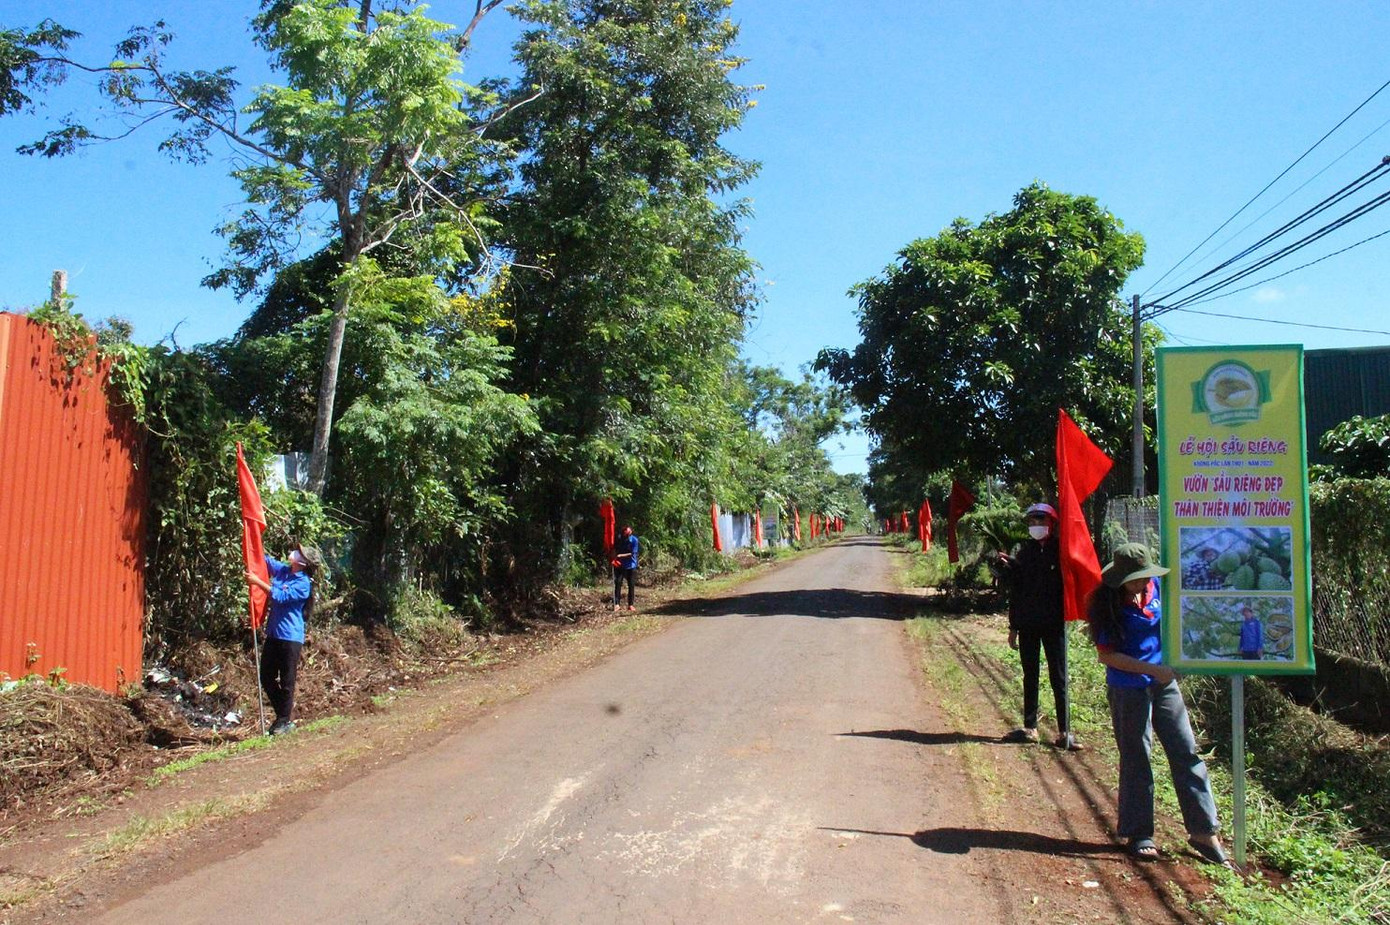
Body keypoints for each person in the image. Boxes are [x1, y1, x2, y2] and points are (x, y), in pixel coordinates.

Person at [1088, 543, 1229, 866]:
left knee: (1185, 750)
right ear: (1121, 580)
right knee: (1137, 756)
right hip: (1129, 687)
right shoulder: (1105, 604)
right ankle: (1140, 833)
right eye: (1135, 580)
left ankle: (1204, 832)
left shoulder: (1158, 590)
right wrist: (1154, 670)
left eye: (1145, 577)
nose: (1141, 584)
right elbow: (1106, 655)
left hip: (1165, 685)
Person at [995, 503, 1081, 750]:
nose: (1036, 526)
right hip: (1028, 623)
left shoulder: (1061, 552)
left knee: (1059, 677)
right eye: (1031, 522)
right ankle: (1030, 727)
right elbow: (1017, 591)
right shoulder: (1024, 553)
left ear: (1052, 524)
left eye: (1040, 521)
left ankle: (1065, 732)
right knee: (1029, 675)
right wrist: (1013, 627)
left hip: (1054, 624)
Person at [247, 542, 322, 735]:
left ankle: (283, 720)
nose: (295, 553)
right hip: (273, 634)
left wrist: (257, 582)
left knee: (287, 681)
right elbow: (264, 562)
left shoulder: (303, 583)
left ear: (303, 563)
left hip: (290, 638)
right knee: (266, 677)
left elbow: (279, 596)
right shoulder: (284, 571)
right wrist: (251, 540)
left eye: (300, 554)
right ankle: (284, 716)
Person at [612, 525, 639, 612]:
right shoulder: (619, 539)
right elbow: (615, 548)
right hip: (620, 565)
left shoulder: (634, 540)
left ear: (631, 532)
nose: (626, 535)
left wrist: (620, 555)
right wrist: (613, 555)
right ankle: (616, 604)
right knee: (618, 583)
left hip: (631, 565)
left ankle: (630, 604)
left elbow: (632, 553)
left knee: (631, 585)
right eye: (625, 534)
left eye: (628, 534)